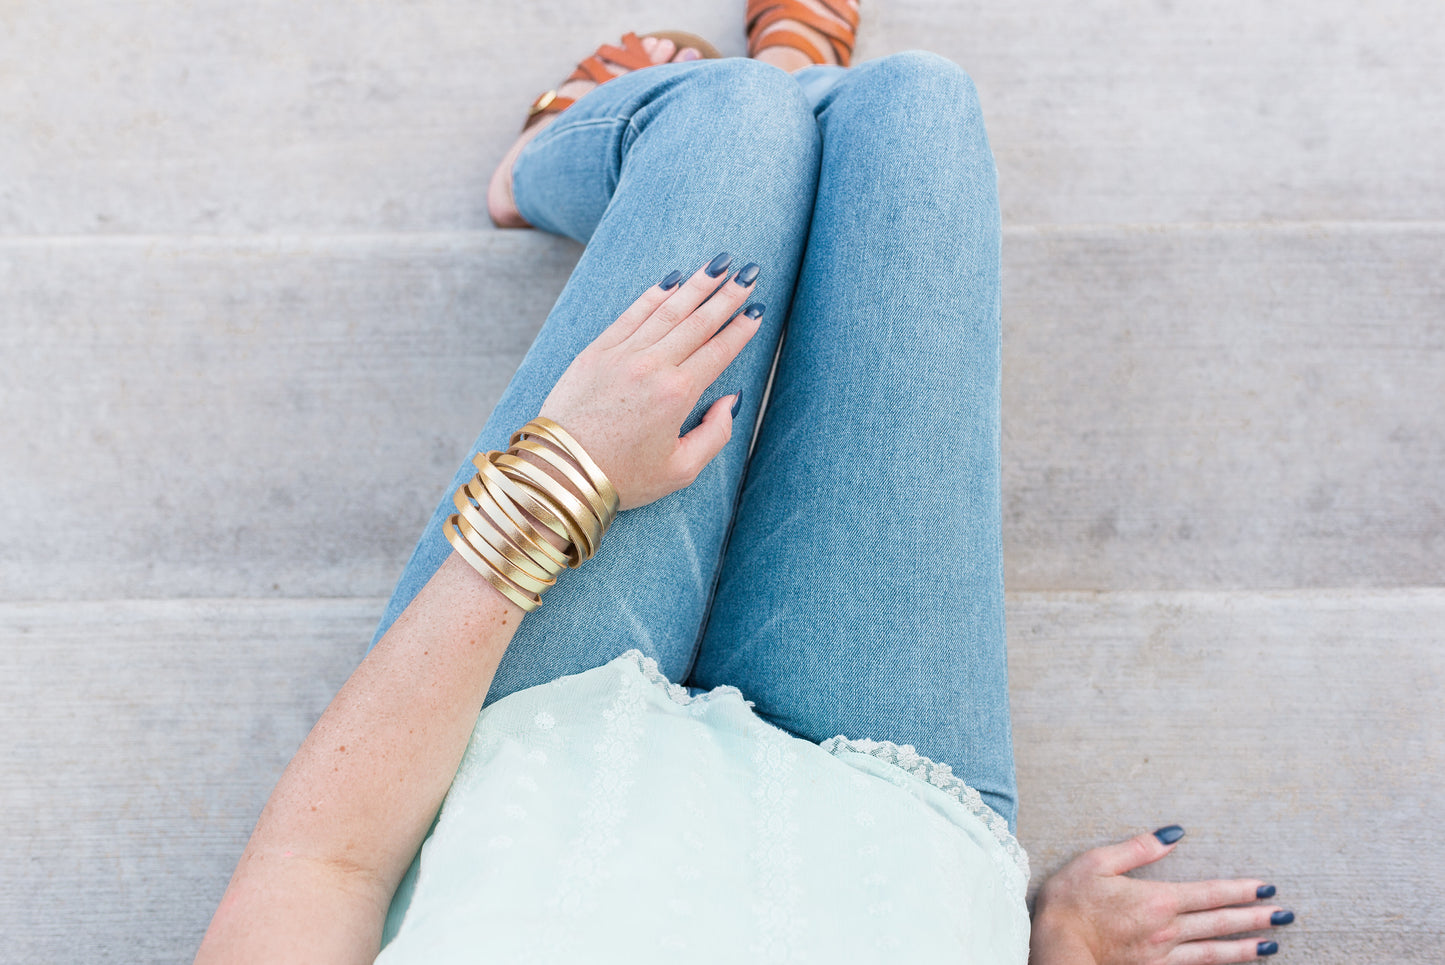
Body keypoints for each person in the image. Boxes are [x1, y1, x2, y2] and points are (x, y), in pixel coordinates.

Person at [196, 2, 1296, 962]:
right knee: (916, 112)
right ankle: (792, 83)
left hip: (522, 740)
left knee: (733, 123)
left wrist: (564, 472)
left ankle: (549, 158)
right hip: (895, 817)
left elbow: (319, 863)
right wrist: (1048, 943)